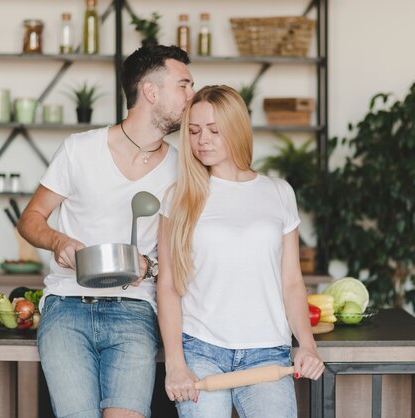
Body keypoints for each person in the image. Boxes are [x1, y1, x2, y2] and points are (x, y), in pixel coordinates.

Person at [17, 44, 194, 418]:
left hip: (135, 310)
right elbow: (31, 218)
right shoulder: (80, 150)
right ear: (150, 91)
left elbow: (184, 253)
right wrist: (57, 240)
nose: (192, 96)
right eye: (184, 85)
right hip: (66, 306)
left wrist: (152, 266)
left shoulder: (183, 169)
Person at [157, 85, 324, 418]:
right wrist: (175, 364)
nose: (202, 139)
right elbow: (169, 285)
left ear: (236, 128)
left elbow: (291, 282)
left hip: (267, 352)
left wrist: (306, 344)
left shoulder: (278, 193)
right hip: (201, 350)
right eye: (193, 131)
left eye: (214, 130)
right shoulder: (178, 197)